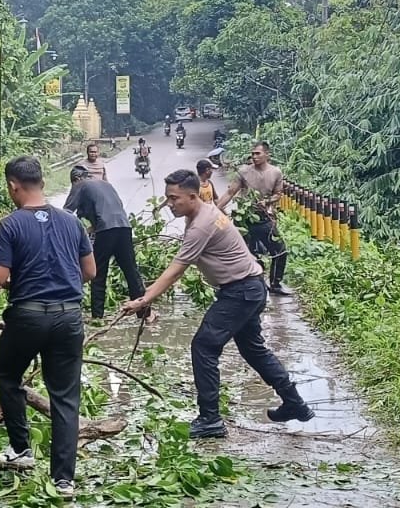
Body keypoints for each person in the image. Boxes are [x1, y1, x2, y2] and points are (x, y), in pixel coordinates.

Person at [123, 170, 314, 438]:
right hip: (249, 286)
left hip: (241, 291)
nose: (170, 204)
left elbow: (177, 270)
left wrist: (143, 300)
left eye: (174, 198)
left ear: (192, 196)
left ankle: (210, 419)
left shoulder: (202, 224)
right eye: (167, 198)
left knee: (203, 346)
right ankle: (294, 403)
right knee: (254, 350)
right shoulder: (205, 212)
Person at [0, 156, 95, 496]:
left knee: (8, 377)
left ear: (13, 185)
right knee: (65, 396)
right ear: (42, 182)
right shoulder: (71, 222)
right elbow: (89, 272)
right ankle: (63, 479)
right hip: (68, 317)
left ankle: (21, 449)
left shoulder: (10, 225)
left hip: (28, 316)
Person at [64, 165, 146, 320]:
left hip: (106, 230)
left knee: (98, 273)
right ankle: (144, 314)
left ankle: (97, 317)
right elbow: (112, 208)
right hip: (124, 227)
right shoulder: (105, 184)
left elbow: (66, 211)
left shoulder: (80, 184)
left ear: (76, 179)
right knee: (131, 272)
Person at [215, 142, 290, 295]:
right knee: (243, 253)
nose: (254, 156)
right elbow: (230, 193)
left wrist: (267, 201)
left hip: (263, 217)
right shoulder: (244, 172)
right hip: (244, 218)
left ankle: (275, 283)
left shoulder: (276, 172)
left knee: (280, 251)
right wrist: (215, 210)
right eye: (253, 154)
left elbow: (278, 194)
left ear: (267, 154)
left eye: (258, 153)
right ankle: (238, 285)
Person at [152, 159, 218, 215]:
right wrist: (159, 207)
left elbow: (216, 199)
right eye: (211, 170)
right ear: (207, 170)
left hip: (209, 215)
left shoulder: (209, 184)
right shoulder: (194, 186)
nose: (212, 172)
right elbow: (173, 197)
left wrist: (223, 213)